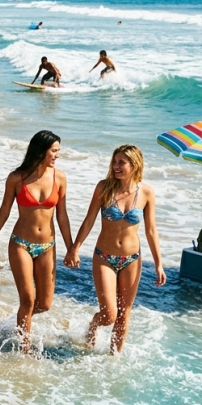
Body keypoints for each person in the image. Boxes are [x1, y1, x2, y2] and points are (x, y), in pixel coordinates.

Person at [64, 145, 165, 353]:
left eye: (121, 162)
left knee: (124, 313)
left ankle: (114, 358)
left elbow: (151, 231)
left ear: (134, 165)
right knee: (109, 314)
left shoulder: (146, 193)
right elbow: (90, 219)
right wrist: (75, 248)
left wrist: (159, 264)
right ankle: (94, 324)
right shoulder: (104, 187)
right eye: (114, 161)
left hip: (132, 259)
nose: (116, 166)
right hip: (104, 257)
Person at [0, 130, 73, 352]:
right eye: (54, 150)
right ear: (41, 151)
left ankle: (16, 322)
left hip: (48, 246)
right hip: (21, 244)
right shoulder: (16, 178)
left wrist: (72, 249)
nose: (57, 155)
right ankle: (25, 348)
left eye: (58, 151)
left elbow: (62, 215)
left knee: (45, 304)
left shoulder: (59, 178)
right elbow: (4, 211)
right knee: (28, 299)